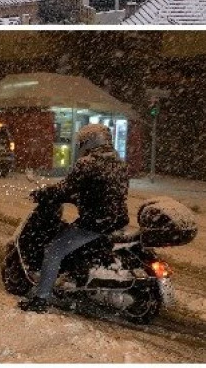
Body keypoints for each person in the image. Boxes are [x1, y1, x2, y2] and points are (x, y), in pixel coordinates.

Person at [18, 123, 129, 313]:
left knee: (53, 251)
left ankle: (41, 299)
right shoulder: (119, 163)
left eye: (82, 143)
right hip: (116, 219)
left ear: (89, 142)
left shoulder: (87, 163)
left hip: (94, 222)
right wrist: (79, 197)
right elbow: (106, 192)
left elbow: (66, 188)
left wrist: (42, 195)